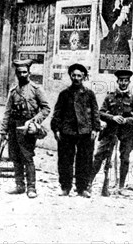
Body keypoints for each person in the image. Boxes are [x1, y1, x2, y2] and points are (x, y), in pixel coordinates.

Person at [0, 59, 51, 199]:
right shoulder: (13, 91)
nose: (22, 75)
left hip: (27, 128)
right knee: (15, 157)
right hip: (13, 126)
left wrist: (34, 122)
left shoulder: (36, 89)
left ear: (29, 73)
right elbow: (7, 112)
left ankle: (31, 187)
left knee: (27, 157)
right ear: (16, 74)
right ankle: (19, 185)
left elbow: (46, 108)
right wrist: (3, 131)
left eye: (24, 72)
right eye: (19, 73)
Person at [51, 63, 101, 198]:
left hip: (85, 132)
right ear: (70, 76)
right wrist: (56, 129)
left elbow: (95, 113)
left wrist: (96, 129)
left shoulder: (89, 94)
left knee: (85, 161)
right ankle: (65, 187)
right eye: (74, 75)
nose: (76, 78)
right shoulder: (64, 94)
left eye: (79, 75)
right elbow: (57, 113)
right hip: (67, 132)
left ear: (84, 77)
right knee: (65, 161)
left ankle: (82, 188)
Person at [91, 69, 133, 195]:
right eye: (121, 80)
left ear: (129, 82)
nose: (123, 83)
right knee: (100, 155)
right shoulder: (110, 96)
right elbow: (100, 113)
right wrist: (112, 118)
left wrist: (127, 120)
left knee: (125, 158)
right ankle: (88, 182)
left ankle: (121, 187)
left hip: (127, 132)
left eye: (126, 81)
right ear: (117, 81)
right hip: (111, 130)